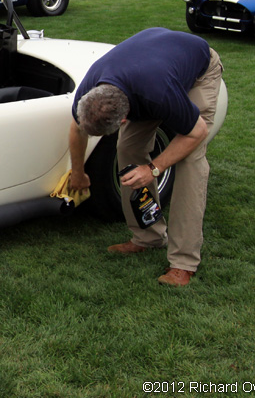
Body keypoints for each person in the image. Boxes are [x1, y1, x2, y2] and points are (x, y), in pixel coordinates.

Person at [66, 27, 224, 287]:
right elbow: (76, 128)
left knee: (189, 161)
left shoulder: (158, 93)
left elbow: (197, 133)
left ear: (125, 118)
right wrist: (78, 172)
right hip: (151, 68)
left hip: (198, 69)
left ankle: (183, 262)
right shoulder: (90, 90)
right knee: (127, 150)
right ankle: (147, 236)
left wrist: (153, 169)